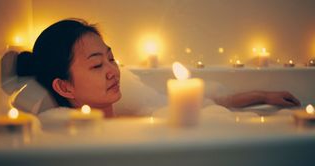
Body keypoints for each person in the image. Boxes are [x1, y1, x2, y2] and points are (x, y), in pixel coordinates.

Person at [15, 19, 300, 117]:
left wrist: (263, 95)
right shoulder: (78, 143)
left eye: (111, 59)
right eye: (97, 65)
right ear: (64, 86)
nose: (113, 70)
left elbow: (212, 104)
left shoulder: (138, 111)